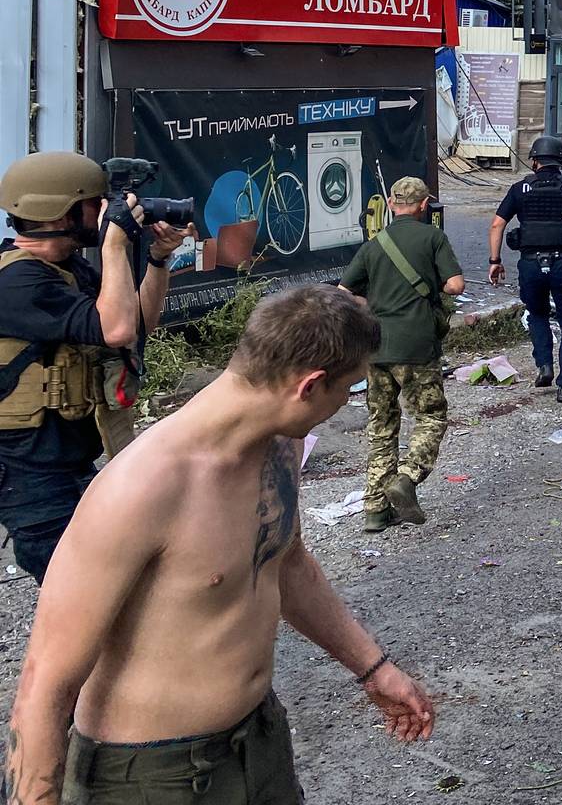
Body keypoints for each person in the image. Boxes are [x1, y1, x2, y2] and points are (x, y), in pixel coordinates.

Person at [4, 286, 435, 805]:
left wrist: (374, 667)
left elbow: (286, 563)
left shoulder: (280, 443)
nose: (349, 401)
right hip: (152, 778)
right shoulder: (141, 487)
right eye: (349, 388)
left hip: (259, 743)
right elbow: (45, 684)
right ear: (310, 385)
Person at [0, 152, 190, 585]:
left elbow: (136, 324)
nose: (104, 211)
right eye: (95, 203)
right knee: (81, 596)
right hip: (32, 481)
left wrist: (158, 259)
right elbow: (117, 329)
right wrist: (115, 243)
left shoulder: (66, 268)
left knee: (115, 588)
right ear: (61, 212)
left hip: (70, 466)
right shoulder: (17, 283)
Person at [340, 177, 464, 534]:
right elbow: (456, 285)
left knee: (381, 426)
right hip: (417, 347)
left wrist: (373, 306)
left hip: (377, 347)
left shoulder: (374, 244)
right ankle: (407, 478)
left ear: (392, 205)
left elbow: (343, 291)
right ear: (424, 205)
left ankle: (375, 510)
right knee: (431, 417)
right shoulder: (433, 238)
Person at [488, 136, 562, 404]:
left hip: (531, 265)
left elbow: (497, 225)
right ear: (560, 161)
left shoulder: (519, 189)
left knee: (537, 314)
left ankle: (544, 366)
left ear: (534, 161)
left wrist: (495, 260)